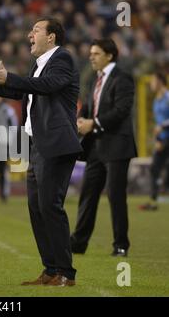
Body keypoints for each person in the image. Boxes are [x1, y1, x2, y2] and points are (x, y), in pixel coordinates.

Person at [0, 17, 82, 286]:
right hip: (37, 145)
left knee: (50, 206)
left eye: (35, 30)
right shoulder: (38, 64)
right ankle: (50, 269)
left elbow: (46, 87)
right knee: (36, 207)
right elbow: (23, 93)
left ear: (52, 37)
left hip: (56, 144)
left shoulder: (63, 59)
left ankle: (66, 273)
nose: (29, 35)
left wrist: (10, 77)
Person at [70, 38, 137, 257]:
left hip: (117, 145)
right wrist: (81, 120)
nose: (91, 57)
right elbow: (89, 106)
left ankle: (120, 245)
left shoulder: (122, 78)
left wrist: (94, 123)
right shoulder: (96, 79)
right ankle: (78, 243)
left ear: (109, 55)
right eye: (91, 53)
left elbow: (122, 110)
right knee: (88, 195)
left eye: (96, 53)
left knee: (116, 196)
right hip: (96, 146)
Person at [139, 72, 169, 211]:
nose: (151, 84)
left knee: (157, 166)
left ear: (160, 82)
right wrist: (158, 138)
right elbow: (158, 124)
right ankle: (156, 197)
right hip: (163, 139)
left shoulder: (167, 97)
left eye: (153, 81)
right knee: (156, 167)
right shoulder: (156, 100)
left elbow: (161, 123)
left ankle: (156, 196)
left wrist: (162, 126)